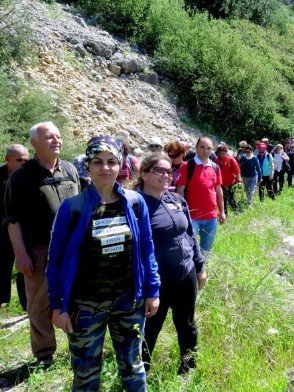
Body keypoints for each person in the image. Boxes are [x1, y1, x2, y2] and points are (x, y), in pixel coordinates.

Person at [47, 136, 159, 391]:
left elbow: (146, 250)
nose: (105, 168)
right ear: (88, 165)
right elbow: (55, 262)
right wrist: (58, 306)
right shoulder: (72, 208)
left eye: (111, 162)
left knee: (133, 367)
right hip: (85, 305)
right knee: (85, 374)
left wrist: (152, 291)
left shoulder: (133, 202)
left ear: (120, 165)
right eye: (97, 162)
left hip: (128, 301)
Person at [5, 122, 80, 366]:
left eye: (58, 136)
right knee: (38, 305)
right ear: (34, 143)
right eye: (49, 137)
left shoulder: (70, 169)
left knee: (76, 298)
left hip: (72, 249)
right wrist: (20, 254)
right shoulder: (21, 176)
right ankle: (45, 355)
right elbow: (11, 218)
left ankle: (80, 346)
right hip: (38, 250)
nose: (56, 140)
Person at [136, 154, 205, 374]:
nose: (166, 175)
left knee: (187, 324)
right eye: (159, 170)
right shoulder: (135, 205)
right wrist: (147, 288)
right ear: (144, 173)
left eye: (168, 171)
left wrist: (200, 267)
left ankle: (188, 368)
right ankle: (141, 375)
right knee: (150, 329)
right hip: (157, 281)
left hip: (186, 273)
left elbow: (190, 235)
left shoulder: (176, 199)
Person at [176, 137, 225, 258]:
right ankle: (190, 273)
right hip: (191, 216)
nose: (205, 151)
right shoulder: (187, 166)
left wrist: (222, 211)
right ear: (196, 147)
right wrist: (181, 212)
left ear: (212, 150)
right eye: (202, 147)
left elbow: (219, 191)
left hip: (211, 217)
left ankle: (202, 272)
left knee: (206, 250)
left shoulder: (215, 167)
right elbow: (180, 190)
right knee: (187, 248)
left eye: (209, 148)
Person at [1, 144, 29, 310]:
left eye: (26, 160)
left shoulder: (29, 177)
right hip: (2, 231)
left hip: (22, 230)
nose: (23, 163)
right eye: (19, 160)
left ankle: (27, 305)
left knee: (25, 269)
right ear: (7, 160)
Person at [215, 143, 241, 215]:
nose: (222, 155)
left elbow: (237, 171)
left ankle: (237, 211)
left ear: (226, 152)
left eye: (223, 153)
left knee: (230, 198)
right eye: (220, 153)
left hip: (231, 183)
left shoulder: (231, 160)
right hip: (221, 184)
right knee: (223, 199)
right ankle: (224, 214)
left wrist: (239, 181)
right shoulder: (216, 161)